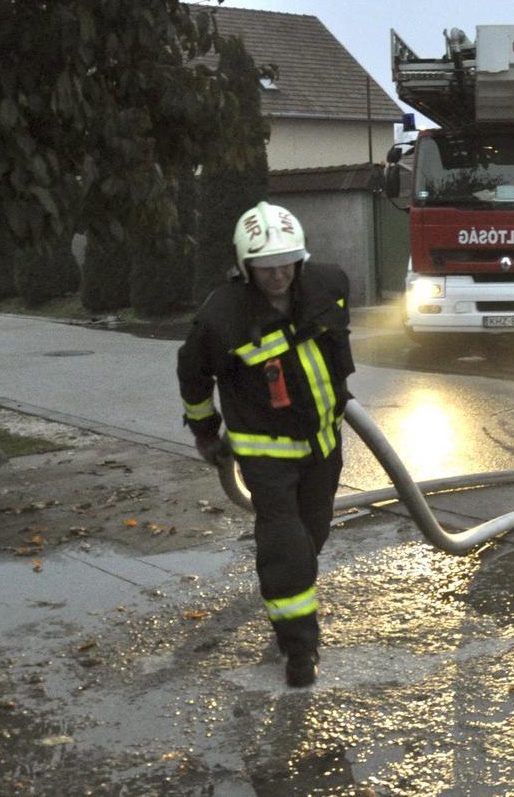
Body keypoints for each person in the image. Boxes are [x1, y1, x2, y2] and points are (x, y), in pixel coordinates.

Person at [176, 202, 355, 688]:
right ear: (245, 267)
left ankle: (289, 600)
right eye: (265, 268)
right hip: (265, 451)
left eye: (285, 265)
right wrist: (206, 431)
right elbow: (193, 374)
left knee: (312, 534)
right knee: (285, 543)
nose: (277, 276)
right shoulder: (223, 316)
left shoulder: (328, 286)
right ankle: (299, 649)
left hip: (323, 445)